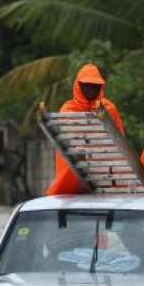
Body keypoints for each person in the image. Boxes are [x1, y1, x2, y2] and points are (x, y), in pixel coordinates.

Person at [47, 63, 125, 195]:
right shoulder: (68, 110)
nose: (91, 89)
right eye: (87, 85)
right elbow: (71, 144)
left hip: (107, 180)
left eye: (95, 86)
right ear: (79, 85)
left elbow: (121, 143)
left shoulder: (109, 109)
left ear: (100, 87)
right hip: (71, 183)